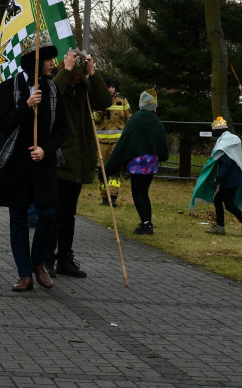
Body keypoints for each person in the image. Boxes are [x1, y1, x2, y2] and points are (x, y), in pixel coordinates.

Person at [0, 36, 68, 292]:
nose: (52, 63)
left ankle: (38, 262)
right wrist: (26, 106)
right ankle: (24, 274)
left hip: (42, 163)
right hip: (16, 164)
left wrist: (45, 149)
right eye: (47, 58)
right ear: (32, 62)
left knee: (48, 214)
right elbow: (2, 124)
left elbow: (61, 129)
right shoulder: (7, 88)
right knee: (18, 220)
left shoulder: (54, 89)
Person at [48, 47, 111, 277]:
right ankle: (47, 257)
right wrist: (66, 69)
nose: (78, 74)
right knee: (54, 212)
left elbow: (104, 101)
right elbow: (51, 95)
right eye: (77, 70)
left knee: (68, 214)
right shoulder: (57, 81)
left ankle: (65, 258)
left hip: (78, 159)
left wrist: (93, 74)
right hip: (59, 158)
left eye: (81, 70)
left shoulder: (84, 86)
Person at [104, 88, 169, 235]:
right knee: (144, 192)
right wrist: (162, 155)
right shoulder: (155, 121)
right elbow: (162, 141)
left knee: (137, 193)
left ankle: (145, 224)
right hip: (151, 162)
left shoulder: (135, 119)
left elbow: (125, 141)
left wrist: (111, 164)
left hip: (138, 163)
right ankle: (148, 222)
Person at [190, 118, 242, 236]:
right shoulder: (230, 140)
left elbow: (226, 164)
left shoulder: (224, 144)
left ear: (219, 131)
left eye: (214, 131)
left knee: (227, 204)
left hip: (230, 180)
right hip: (235, 179)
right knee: (223, 202)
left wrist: (217, 179)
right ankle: (222, 226)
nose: (213, 133)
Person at [94, 77, 131, 205]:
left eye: (112, 87)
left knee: (115, 170)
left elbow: (129, 120)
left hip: (117, 143)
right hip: (102, 143)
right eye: (108, 87)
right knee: (102, 172)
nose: (110, 89)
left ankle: (113, 197)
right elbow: (93, 119)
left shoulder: (122, 101)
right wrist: (100, 111)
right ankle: (104, 198)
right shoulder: (98, 100)